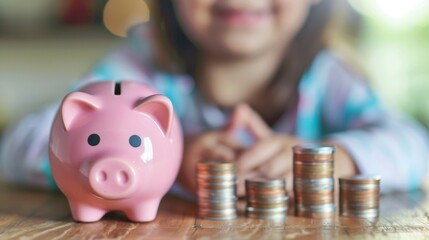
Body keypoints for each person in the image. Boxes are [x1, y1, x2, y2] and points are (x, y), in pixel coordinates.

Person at [1, 0, 428, 197]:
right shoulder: (140, 68)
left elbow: (415, 147)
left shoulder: (328, 75)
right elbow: (21, 144)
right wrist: (164, 160)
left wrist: (340, 159)